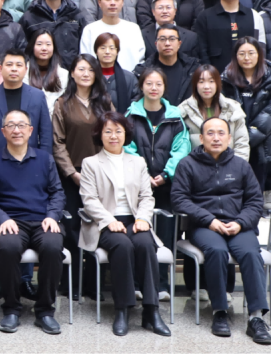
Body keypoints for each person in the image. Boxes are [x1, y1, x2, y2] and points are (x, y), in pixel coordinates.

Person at [171, 117, 271, 345]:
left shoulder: (241, 165)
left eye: (221, 133)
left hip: (238, 225)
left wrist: (241, 222)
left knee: (250, 253)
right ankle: (219, 311)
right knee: (216, 251)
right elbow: (179, 199)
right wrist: (209, 220)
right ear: (201, 137)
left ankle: (256, 318)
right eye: (210, 133)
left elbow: (255, 201)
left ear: (229, 137)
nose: (216, 138)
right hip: (204, 226)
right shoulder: (187, 164)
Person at [79, 111, 172, 337]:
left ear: (125, 134)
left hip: (134, 219)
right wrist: (109, 221)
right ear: (100, 135)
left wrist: (143, 218)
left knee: (145, 244)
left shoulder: (137, 162)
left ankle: (151, 311)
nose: (113, 136)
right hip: (104, 222)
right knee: (122, 245)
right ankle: (122, 309)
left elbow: (147, 196)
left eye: (118, 131)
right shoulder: (91, 163)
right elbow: (89, 200)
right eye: (108, 131)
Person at [0, 109, 66, 335]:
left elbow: (57, 193)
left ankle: (45, 311)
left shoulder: (45, 159)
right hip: (10, 222)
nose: (16, 130)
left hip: (42, 221)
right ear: (3, 131)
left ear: (30, 130)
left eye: (21, 125)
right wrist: (2, 218)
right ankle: (11, 308)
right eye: (11, 125)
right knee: (8, 248)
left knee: (53, 247)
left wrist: (52, 215)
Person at [50, 54, 116, 300]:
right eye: (81, 69)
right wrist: (73, 173)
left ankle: (94, 285)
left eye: (90, 69)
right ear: (72, 73)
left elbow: (114, 136)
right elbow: (58, 143)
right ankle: (70, 285)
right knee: (72, 229)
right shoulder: (62, 103)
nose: (86, 73)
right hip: (71, 176)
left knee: (98, 226)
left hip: (102, 175)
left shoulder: (105, 103)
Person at [123, 66, 190, 300]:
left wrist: (166, 174)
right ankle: (136, 284)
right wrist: (144, 175)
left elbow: (182, 148)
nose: (153, 88)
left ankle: (161, 284)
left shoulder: (175, 116)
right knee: (138, 233)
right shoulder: (131, 114)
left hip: (166, 186)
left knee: (165, 234)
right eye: (149, 83)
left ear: (164, 87)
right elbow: (126, 145)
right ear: (141, 86)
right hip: (137, 186)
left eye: (158, 84)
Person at [222, 38, 271, 210]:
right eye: (241, 53)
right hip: (234, 138)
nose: (246, 58)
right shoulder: (226, 79)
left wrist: (247, 137)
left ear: (259, 55)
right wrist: (239, 137)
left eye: (251, 53)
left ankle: (256, 209)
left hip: (263, 139)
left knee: (258, 177)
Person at [0, 49, 53, 162]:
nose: (14, 69)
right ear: (0, 68)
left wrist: (44, 163)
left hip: (31, 161)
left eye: (19, 65)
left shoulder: (38, 96)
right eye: (9, 64)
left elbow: (45, 135)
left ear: (26, 70)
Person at [193, 0, 267, 73]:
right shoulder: (205, 17)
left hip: (248, 76)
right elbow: (202, 51)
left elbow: (261, 48)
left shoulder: (254, 15)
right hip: (216, 76)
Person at [20, 0, 89, 70]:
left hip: (70, 73)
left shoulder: (75, 15)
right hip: (37, 73)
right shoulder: (29, 17)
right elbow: (22, 49)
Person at [179, 65, 251, 158]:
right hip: (195, 165)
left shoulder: (233, 108)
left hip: (230, 164)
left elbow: (242, 144)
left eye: (211, 81)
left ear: (218, 83)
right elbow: (179, 148)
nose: (206, 86)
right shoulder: (183, 110)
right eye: (201, 82)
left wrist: (235, 166)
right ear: (195, 84)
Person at [80, 0, 145, 72]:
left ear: (122, 2)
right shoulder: (90, 29)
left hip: (129, 79)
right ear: (99, 2)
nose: (112, 3)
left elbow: (140, 60)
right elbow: (86, 60)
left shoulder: (133, 29)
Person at [134, 23, 202, 107]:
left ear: (179, 44)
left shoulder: (193, 68)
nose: (167, 43)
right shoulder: (143, 71)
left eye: (172, 39)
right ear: (156, 44)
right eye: (162, 39)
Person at [139, 0, 203, 62]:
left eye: (168, 7)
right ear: (153, 12)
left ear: (175, 10)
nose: (164, 11)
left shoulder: (191, 37)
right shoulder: (141, 35)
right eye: (160, 8)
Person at [92, 33, 140, 115]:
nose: (107, 52)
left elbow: (136, 104)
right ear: (96, 51)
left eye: (111, 48)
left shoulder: (129, 78)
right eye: (103, 48)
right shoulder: (89, 76)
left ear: (117, 51)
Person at [27, 29, 70, 114]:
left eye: (48, 44)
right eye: (39, 44)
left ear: (54, 47)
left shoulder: (63, 74)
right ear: (32, 46)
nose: (44, 48)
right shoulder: (23, 72)